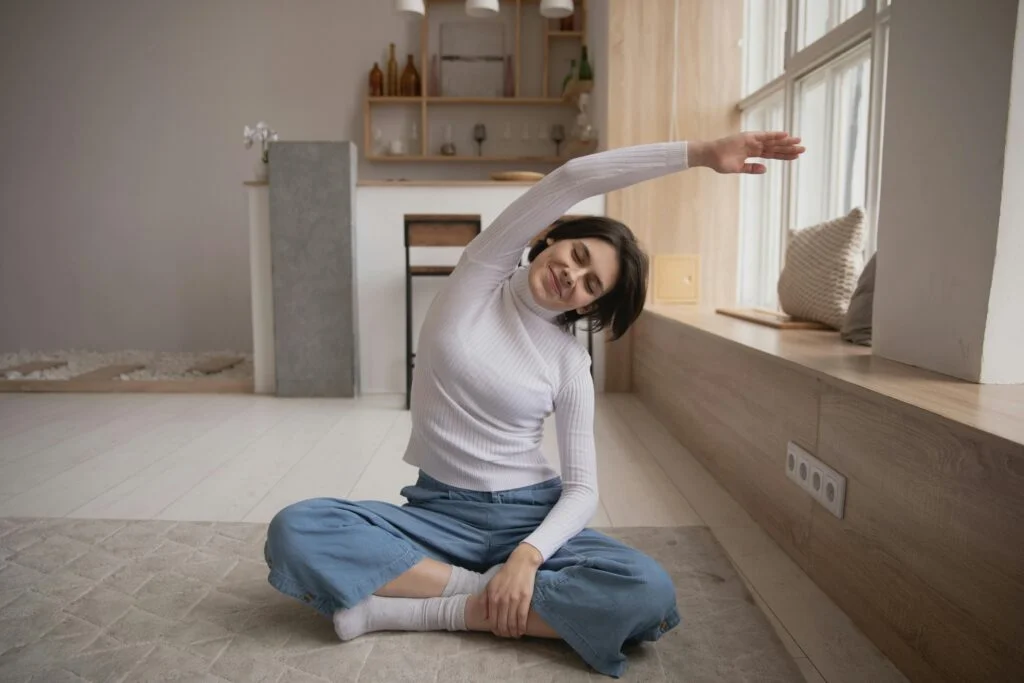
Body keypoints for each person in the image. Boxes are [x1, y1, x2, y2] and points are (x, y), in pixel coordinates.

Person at [264, 132, 805, 678]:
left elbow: (583, 489)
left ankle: (427, 606)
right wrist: (701, 153)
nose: (572, 275)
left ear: (591, 305)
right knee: (297, 529)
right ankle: (487, 597)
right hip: (437, 516)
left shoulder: (570, 363)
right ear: (551, 238)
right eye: (576, 255)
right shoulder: (477, 279)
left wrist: (528, 556)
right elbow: (574, 178)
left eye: (590, 283)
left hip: (529, 517)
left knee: (649, 594)